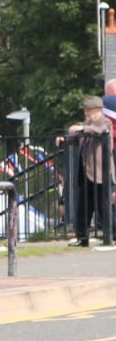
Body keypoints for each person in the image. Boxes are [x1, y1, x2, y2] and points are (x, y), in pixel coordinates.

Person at [59, 96, 112, 246]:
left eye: (89, 111)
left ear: (97, 110)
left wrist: (82, 128)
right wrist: (64, 140)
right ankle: (82, 238)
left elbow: (101, 131)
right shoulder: (87, 124)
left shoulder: (105, 122)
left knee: (104, 206)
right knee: (83, 206)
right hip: (86, 172)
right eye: (85, 111)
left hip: (101, 172)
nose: (86, 113)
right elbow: (77, 139)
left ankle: (110, 236)